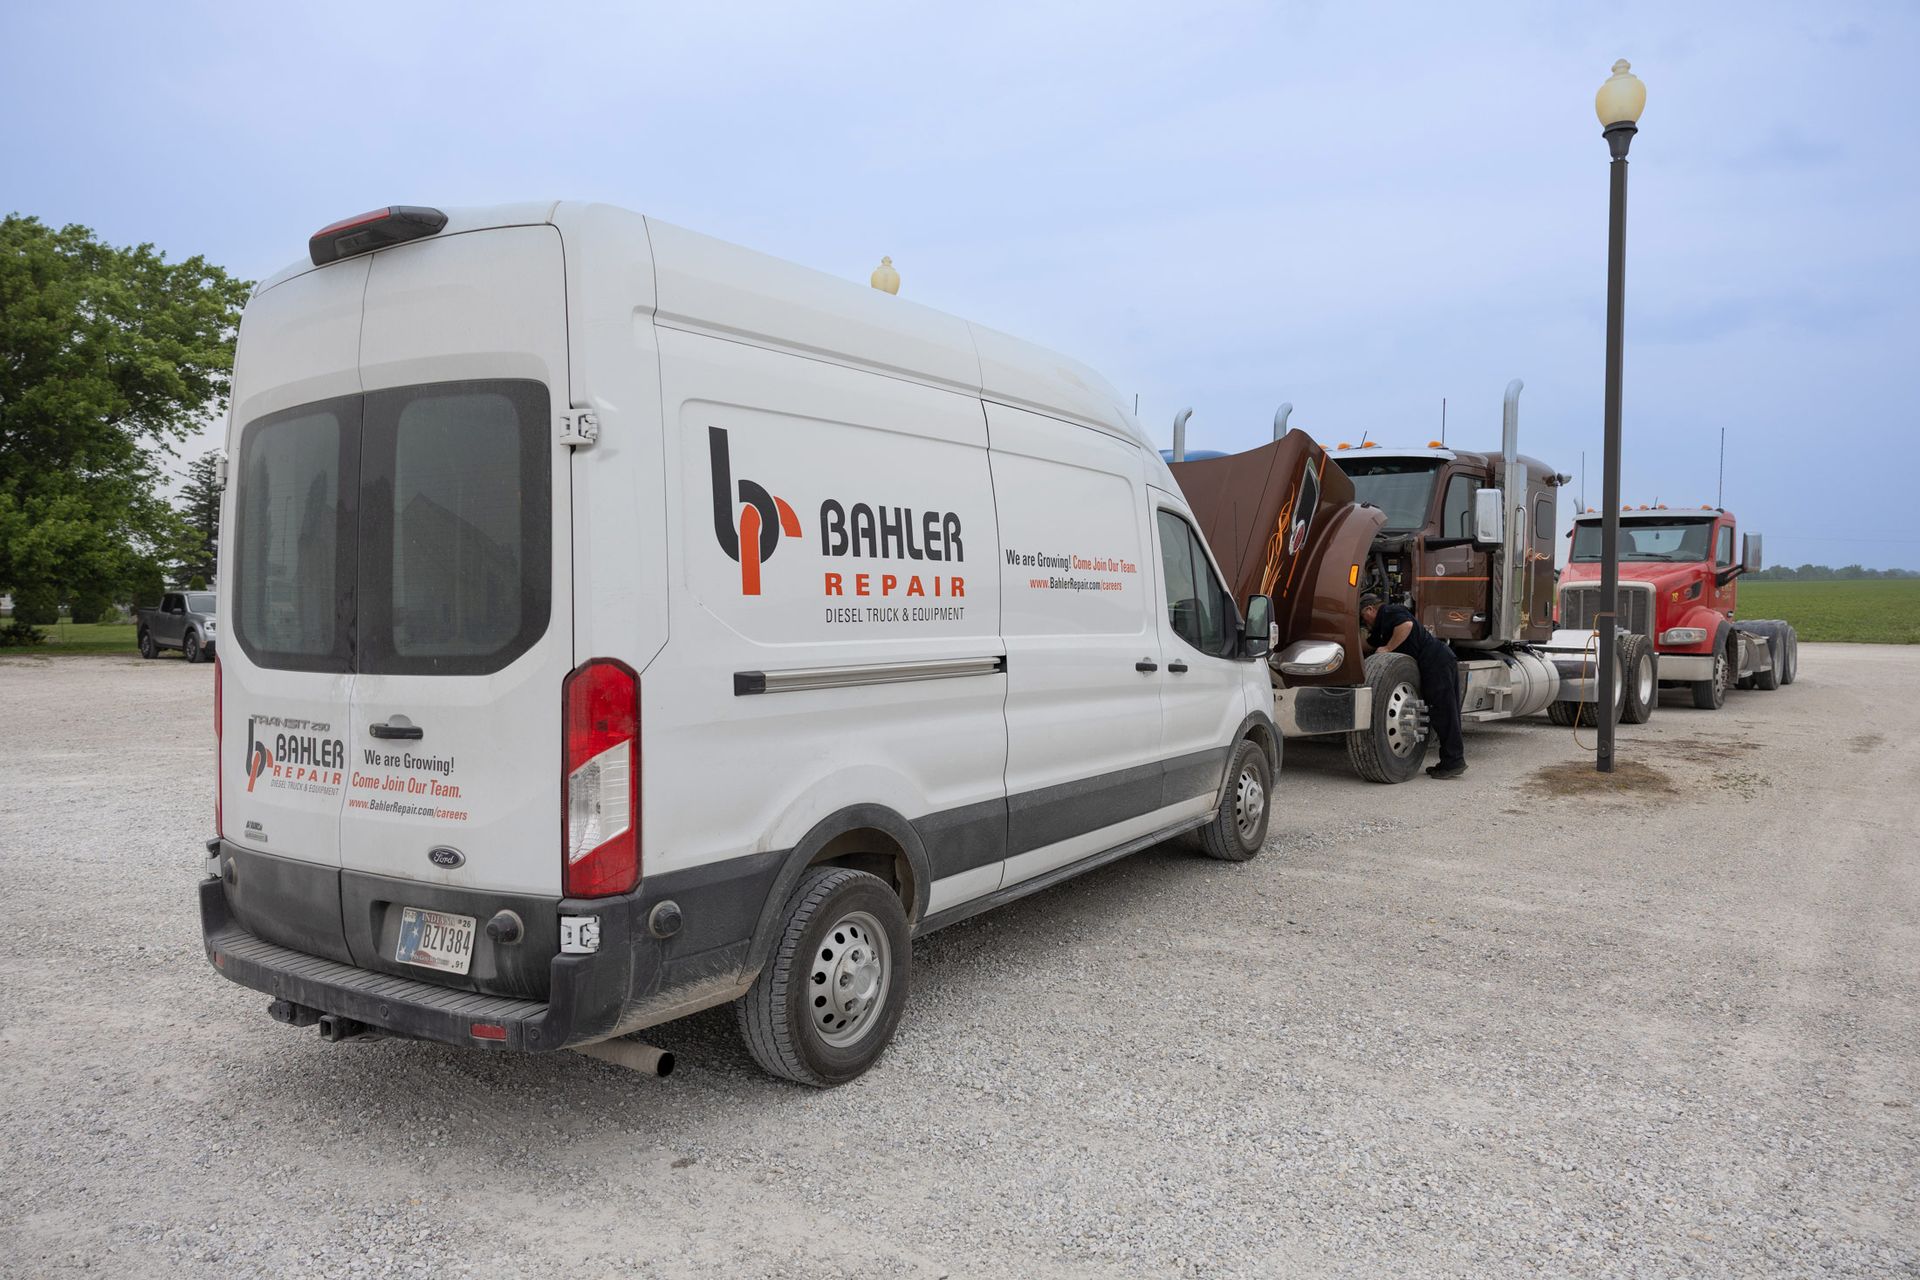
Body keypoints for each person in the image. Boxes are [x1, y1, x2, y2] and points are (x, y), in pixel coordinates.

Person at [1359, 593, 1465, 779]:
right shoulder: (1380, 629)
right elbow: (1367, 645)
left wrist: (1389, 648)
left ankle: (1454, 762)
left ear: (1370, 609)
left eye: (1363, 618)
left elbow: (1406, 626)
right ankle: (1449, 761)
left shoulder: (1389, 611)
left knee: (1444, 711)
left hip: (1437, 661)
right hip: (1430, 664)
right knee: (1439, 711)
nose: (1364, 624)